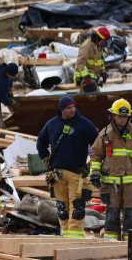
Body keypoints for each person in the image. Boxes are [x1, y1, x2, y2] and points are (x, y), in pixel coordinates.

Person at [89, 99, 132, 240]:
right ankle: (111, 243)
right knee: (112, 213)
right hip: (112, 183)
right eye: (120, 116)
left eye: (125, 116)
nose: (122, 119)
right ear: (113, 115)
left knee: (131, 214)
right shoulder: (105, 134)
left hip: (131, 183)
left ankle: (130, 243)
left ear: (129, 116)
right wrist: (94, 173)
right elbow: (96, 155)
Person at [36, 96, 98, 238]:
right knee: (62, 209)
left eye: (73, 107)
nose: (72, 110)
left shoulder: (84, 124)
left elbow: (98, 146)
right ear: (61, 110)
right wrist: (45, 159)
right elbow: (41, 142)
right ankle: (64, 236)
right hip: (57, 175)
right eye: (68, 108)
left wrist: (90, 166)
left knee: (77, 208)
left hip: (77, 174)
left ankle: (75, 238)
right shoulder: (52, 124)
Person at [74, 26, 110, 93]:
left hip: (93, 78)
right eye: (103, 41)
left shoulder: (98, 46)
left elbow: (99, 61)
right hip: (85, 78)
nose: (104, 43)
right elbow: (80, 63)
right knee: (96, 98)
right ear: (97, 38)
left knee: (84, 99)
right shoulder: (86, 47)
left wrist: (103, 72)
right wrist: (86, 77)